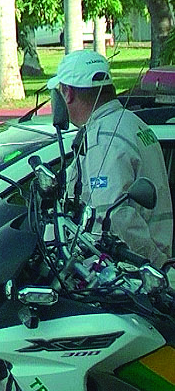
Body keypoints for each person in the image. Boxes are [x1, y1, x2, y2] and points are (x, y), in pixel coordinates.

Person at [49, 50, 173, 266]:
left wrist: (155, 265)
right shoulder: (132, 123)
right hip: (147, 265)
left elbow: (113, 219)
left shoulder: (104, 138)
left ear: (67, 93)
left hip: (129, 276)